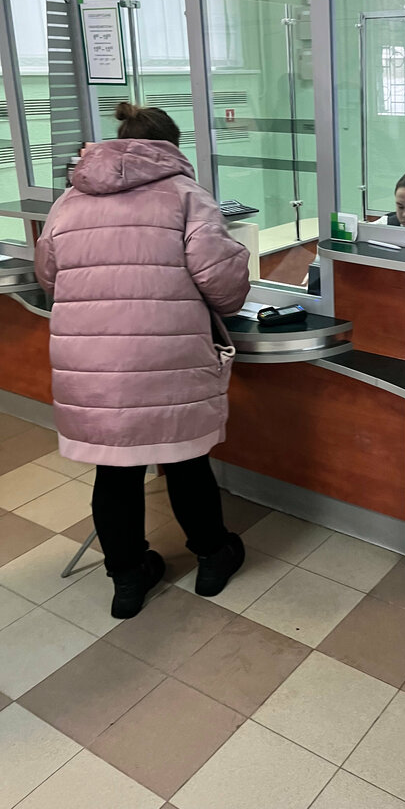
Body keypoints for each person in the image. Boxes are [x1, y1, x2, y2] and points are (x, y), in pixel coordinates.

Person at [34, 103, 251, 619]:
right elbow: (223, 286)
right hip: (166, 358)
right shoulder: (186, 196)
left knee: (115, 473)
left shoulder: (69, 201)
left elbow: (49, 276)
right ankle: (213, 558)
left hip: (91, 364)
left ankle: (128, 582)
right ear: (171, 147)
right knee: (185, 462)